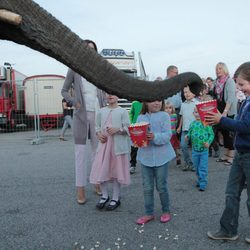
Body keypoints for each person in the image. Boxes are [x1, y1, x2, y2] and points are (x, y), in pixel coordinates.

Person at [205, 62, 250, 243]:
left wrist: (221, 120)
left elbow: (246, 126)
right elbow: (239, 123)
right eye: (238, 85)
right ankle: (228, 229)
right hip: (240, 154)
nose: (239, 88)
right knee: (231, 192)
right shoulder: (246, 100)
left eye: (242, 84)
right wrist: (213, 117)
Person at [61, 39, 107, 204]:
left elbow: (103, 90)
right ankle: (80, 188)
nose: (90, 52)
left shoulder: (99, 70)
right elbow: (64, 90)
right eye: (87, 49)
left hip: (98, 114)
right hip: (81, 115)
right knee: (80, 154)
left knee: (97, 152)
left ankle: (96, 182)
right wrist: (74, 102)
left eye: (93, 49)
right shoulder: (74, 68)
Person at [135, 100, 175, 225]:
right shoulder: (140, 117)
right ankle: (148, 213)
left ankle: (166, 211)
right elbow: (137, 135)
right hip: (145, 157)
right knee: (147, 187)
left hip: (162, 157)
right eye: (153, 100)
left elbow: (168, 135)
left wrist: (155, 137)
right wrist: (135, 140)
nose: (156, 103)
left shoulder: (164, 116)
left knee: (161, 186)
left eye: (159, 100)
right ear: (145, 102)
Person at [90, 94, 131, 211]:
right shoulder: (101, 111)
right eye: (107, 94)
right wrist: (98, 134)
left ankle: (116, 197)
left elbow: (128, 127)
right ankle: (104, 195)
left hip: (117, 147)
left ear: (118, 96)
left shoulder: (123, 111)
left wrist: (119, 129)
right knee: (101, 169)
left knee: (116, 171)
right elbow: (97, 126)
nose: (110, 96)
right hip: (104, 146)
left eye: (112, 94)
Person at [213, 62, 237, 166]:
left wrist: (225, 112)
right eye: (217, 69)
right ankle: (226, 154)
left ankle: (231, 156)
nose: (218, 70)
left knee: (229, 132)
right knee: (223, 132)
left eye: (220, 68)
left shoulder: (229, 81)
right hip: (219, 109)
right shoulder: (216, 82)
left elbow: (231, 98)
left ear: (224, 69)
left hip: (228, 110)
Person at [185, 107, 214, 191]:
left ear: (202, 113)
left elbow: (211, 134)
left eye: (198, 112)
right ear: (193, 114)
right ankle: (199, 179)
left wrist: (208, 142)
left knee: (203, 167)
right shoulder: (192, 123)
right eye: (195, 112)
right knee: (197, 167)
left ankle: (203, 183)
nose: (196, 113)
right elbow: (189, 133)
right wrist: (187, 136)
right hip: (195, 150)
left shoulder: (205, 123)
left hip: (204, 151)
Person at [177, 85, 198, 171]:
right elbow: (182, 116)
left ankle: (194, 164)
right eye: (185, 92)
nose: (186, 94)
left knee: (194, 148)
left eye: (189, 92)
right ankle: (188, 162)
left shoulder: (197, 103)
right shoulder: (183, 104)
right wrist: (179, 127)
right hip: (185, 129)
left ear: (194, 93)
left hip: (195, 130)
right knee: (183, 146)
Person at [165, 101, 181, 166]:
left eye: (170, 108)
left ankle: (178, 158)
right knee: (166, 148)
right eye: (166, 108)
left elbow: (176, 123)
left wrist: (175, 129)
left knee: (175, 147)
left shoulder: (174, 115)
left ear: (172, 109)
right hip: (166, 135)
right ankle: (166, 160)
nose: (168, 110)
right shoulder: (164, 116)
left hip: (173, 134)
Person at [129, 100, 143, 174]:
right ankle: (133, 165)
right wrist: (131, 123)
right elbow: (131, 113)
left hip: (144, 126)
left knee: (146, 146)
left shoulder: (148, 102)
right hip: (135, 127)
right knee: (134, 147)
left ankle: (147, 165)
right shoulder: (134, 103)